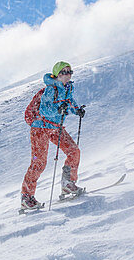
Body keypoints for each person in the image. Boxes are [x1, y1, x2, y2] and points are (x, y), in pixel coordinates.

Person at [21, 61, 86, 210]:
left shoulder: (68, 88)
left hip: (56, 127)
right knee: (39, 162)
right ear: (57, 75)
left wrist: (77, 110)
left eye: (70, 71)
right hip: (41, 128)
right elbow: (44, 110)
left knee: (73, 151)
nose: (68, 74)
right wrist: (58, 111)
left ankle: (68, 184)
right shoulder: (51, 90)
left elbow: (70, 102)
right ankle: (27, 197)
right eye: (64, 72)